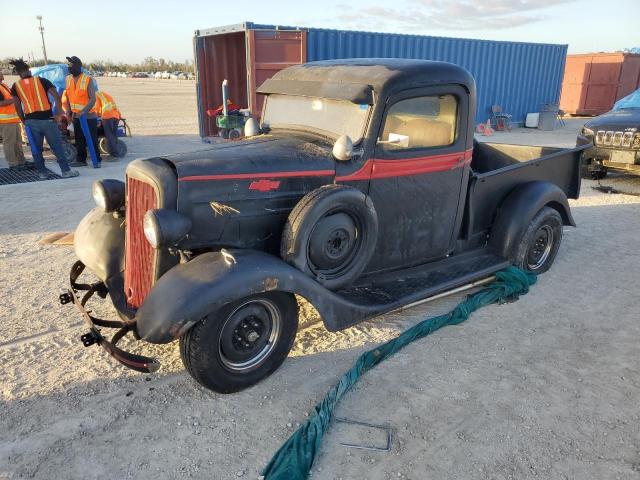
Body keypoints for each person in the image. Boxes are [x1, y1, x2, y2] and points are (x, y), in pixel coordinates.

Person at [9, 59, 79, 179]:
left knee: (36, 149)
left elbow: (17, 106)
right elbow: (57, 97)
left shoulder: (16, 86)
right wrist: (58, 115)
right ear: (29, 70)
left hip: (31, 121)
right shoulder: (42, 81)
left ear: (19, 73)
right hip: (47, 120)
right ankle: (66, 171)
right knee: (57, 146)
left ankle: (42, 173)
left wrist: (24, 121)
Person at [64, 56, 101, 167]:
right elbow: (69, 97)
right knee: (79, 139)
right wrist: (69, 113)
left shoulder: (87, 79)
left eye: (71, 66)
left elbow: (92, 98)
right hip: (76, 116)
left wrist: (84, 111)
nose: (69, 69)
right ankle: (81, 160)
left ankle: (97, 160)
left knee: (91, 138)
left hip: (88, 116)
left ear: (78, 66)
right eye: (68, 67)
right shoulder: (68, 79)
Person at [0, 71, 27, 169]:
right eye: (0, 74)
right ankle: (13, 164)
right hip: (5, 121)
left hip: (13, 120)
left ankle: (21, 161)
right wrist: (14, 100)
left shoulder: (3, 86)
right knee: (9, 143)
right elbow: (1, 103)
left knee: (18, 142)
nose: (2, 76)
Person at [95, 90, 122, 157]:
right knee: (113, 135)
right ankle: (115, 152)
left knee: (109, 136)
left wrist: (96, 116)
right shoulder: (103, 94)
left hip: (107, 116)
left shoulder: (96, 95)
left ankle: (114, 155)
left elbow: (96, 108)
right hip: (116, 115)